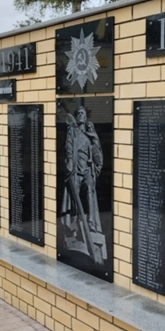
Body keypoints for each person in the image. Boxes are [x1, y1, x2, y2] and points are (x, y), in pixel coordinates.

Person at [60, 106, 107, 264]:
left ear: (86, 118)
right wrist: (69, 160)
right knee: (74, 197)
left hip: (86, 168)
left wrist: (95, 139)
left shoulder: (89, 135)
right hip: (75, 169)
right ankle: (73, 225)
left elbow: (97, 155)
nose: (80, 115)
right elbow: (68, 146)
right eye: (78, 113)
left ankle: (91, 223)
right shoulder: (72, 131)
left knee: (90, 191)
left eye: (82, 113)